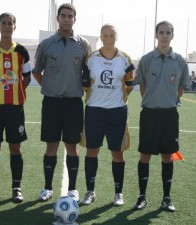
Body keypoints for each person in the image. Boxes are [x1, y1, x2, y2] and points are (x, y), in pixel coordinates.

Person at [32, 3, 91, 202]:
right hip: (51, 103)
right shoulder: (47, 44)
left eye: (70, 16)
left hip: (74, 103)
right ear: (57, 18)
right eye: (63, 15)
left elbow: (88, 73)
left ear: (75, 19)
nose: (66, 19)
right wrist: (49, 87)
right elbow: (37, 71)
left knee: (72, 147)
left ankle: (73, 188)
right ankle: (47, 187)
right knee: (51, 147)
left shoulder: (83, 44)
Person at [133, 21, 191, 212]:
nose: (164, 36)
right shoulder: (147, 59)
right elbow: (142, 86)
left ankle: (166, 198)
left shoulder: (180, 61)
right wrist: (153, 101)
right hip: (149, 113)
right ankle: (142, 197)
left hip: (169, 115)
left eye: (168, 32)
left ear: (172, 36)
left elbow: (181, 87)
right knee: (145, 155)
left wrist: (169, 100)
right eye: (161, 32)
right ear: (156, 35)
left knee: (168, 155)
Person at [0, 12, 31, 203]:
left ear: (14, 27)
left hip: (15, 109)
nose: (7, 26)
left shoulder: (22, 52)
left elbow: (27, 78)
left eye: (10, 23)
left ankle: (16, 188)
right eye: (4, 23)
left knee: (15, 148)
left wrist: (15, 92)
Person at [81, 24, 134, 206]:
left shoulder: (125, 59)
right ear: (101, 37)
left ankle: (118, 193)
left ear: (116, 37)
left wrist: (118, 99)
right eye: (105, 35)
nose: (109, 38)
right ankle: (90, 191)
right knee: (92, 151)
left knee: (117, 153)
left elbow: (130, 84)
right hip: (94, 111)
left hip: (117, 112)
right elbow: (85, 84)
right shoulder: (91, 59)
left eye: (112, 35)